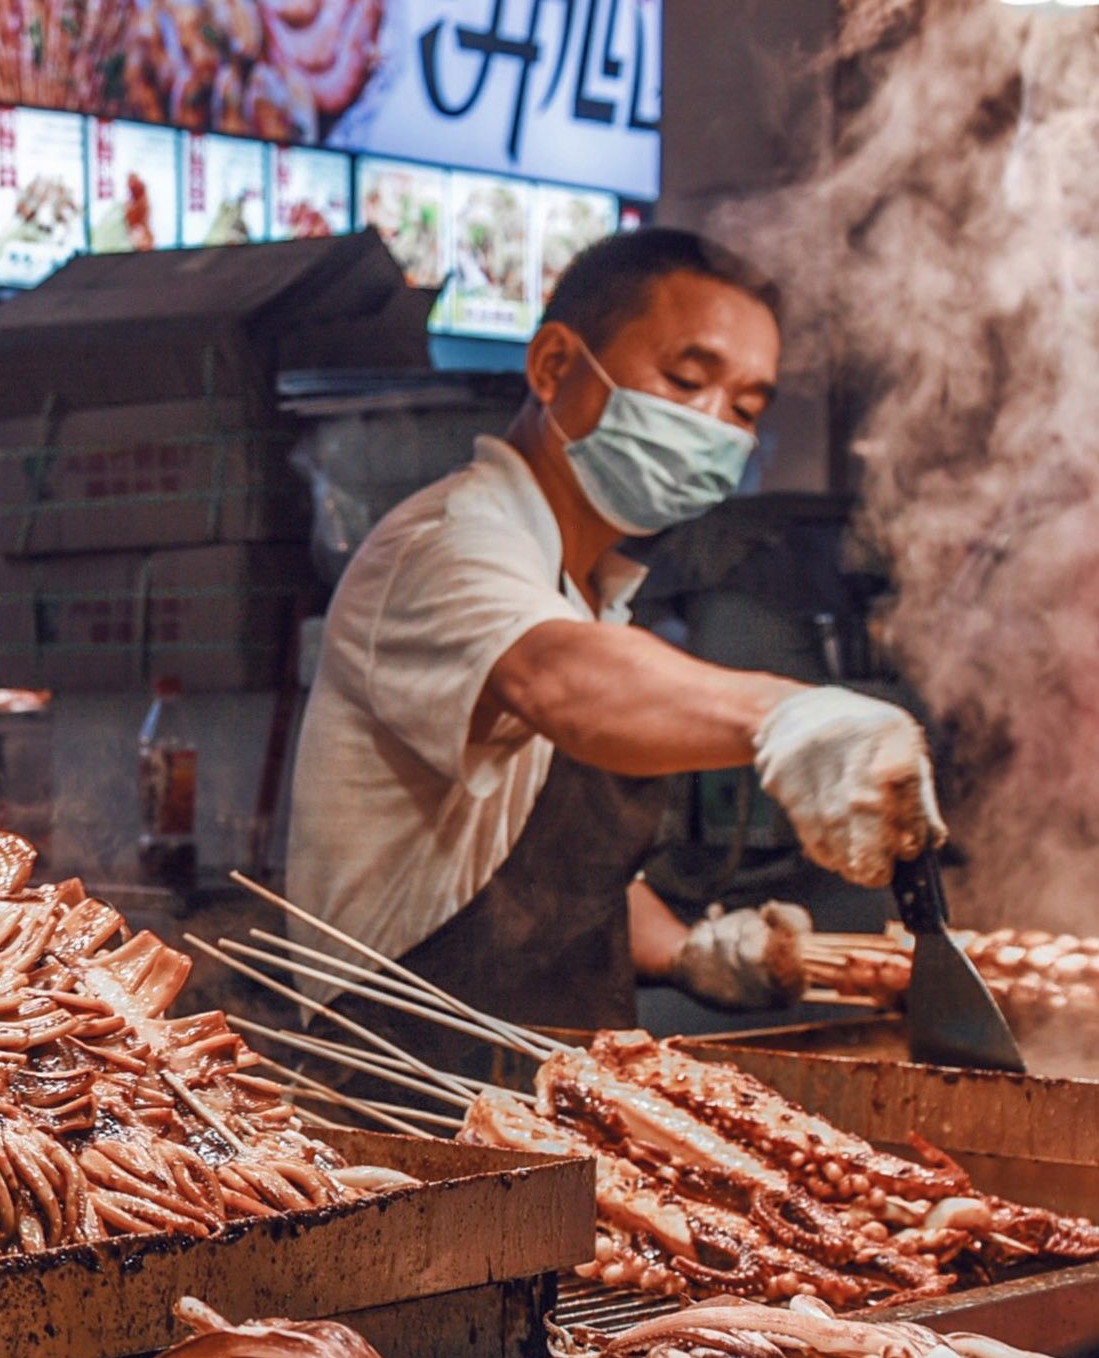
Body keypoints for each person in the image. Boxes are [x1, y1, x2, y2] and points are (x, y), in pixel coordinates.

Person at [285, 228, 942, 1034]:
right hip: (399, 1084)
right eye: (684, 380)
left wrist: (689, 952)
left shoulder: (585, 587)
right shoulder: (443, 547)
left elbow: (534, 871)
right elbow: (559, 680)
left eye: (742, 408)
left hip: (550, 1077)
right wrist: (785, 714)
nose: (711, 426)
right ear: (554, 366)